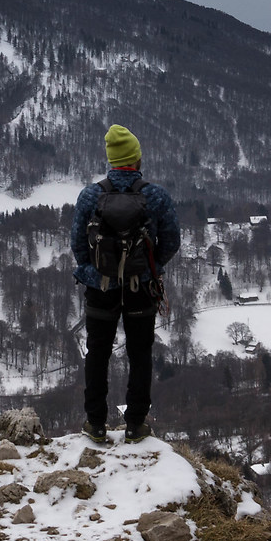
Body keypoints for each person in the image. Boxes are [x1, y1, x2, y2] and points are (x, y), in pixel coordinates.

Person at [71, 124, 180, 442]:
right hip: (140, 288)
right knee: (140, 353)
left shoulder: (91, 195)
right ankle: (135, 424)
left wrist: (91, 271)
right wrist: (151, 267)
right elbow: (171, 241)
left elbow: (78, 242)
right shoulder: (155, 195)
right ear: (136, 159)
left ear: (111, 160)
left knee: (97, 353)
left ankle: (95, 424)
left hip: (100, 288)